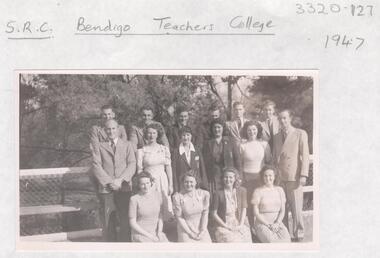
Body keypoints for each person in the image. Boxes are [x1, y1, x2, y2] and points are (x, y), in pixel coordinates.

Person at [91, 119, 136, 241]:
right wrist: (110, 182)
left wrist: (120, 180)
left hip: (124, 188)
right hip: (107, 189)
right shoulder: (100, 147)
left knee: (125, 220)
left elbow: (132, 164)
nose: (111, 131)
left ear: (118, 129)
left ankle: (125, 248)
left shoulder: (127, 145)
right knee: (108, 221)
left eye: (113, 128)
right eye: (108, 129)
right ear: (105, 131)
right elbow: (96, 165)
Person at [272, 109, 310, 242]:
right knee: (281, 208)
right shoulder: (276, 136)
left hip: (294, 177)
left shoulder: (300, 133)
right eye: (280, 119)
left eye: (285, 118)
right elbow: (275, 156)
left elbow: (305, 155)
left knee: (296, 209)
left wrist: (304, 174)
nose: (282, 121)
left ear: (290, 118)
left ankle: (298, 234)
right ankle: (285, 235)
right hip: (280, 178)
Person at [136, 123, 173, 219]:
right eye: (149, 133)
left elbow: (168, 167)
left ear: (158, 134)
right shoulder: (141, 151)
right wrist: (142, 184)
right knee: (150, 207)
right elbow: (139, 170)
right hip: (148, 182)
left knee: (163, 206)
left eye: (154, 133)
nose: (151, 135)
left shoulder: (164, 149)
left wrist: (170, 184)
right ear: (146, 135)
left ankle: (161, 230)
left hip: (162, 180)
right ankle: (152, 229)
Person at [240, 120, 272, 227]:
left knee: (261, 204)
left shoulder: (264, 144)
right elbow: (240, 164)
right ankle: (252, 230)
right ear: (246, 131)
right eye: (249, 130)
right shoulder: (242, 145)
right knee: (250, 205)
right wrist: (242, 178)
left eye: (254, 129)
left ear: (257, 130)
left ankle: (262, 227)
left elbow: (268, 162)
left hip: (261, 179)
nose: (252, 132)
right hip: (247, 179)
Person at [211, 167, 252, 242]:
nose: (228, 179)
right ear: (222, 178)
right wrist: (226, 226)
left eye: (231, 177)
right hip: (223, 223)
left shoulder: (242, 191)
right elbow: (214, 214)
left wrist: (241, 225)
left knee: (246, 241)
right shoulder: (217, 193)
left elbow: (244, 209)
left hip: (239, 220)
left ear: (235, 178)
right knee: (234, 242)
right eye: (226, 177)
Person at [251, 166, 291, 243]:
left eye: (270, 176)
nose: (268, 178)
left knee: (287, 241)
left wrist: (277, 223)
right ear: (262, 177)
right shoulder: (258, 191)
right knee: (272, 242)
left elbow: (282, 211)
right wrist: (268, 224)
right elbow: (255, 213)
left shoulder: (280, 190)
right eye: (265, 176)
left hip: (277, 223)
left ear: (275, 177)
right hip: (262, 223)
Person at [202, 118, 241, 194]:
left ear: (223, 128)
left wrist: (239, 176)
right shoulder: (207, 143)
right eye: (215, 127)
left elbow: (237, 159)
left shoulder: (231, 141)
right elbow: (204, 163)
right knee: (215, 196)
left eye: (219, 127)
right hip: (213, 176)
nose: (217, 129)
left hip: (228, 175)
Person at [172, 171, 212, 242]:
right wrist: (190, 233)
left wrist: (203, 230)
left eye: (191, 182)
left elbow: (205, 214)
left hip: (200, 226)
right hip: (185, 228)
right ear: (183, 183)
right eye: (186, 182)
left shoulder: (203, 194)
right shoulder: (178, 197)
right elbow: (179, 217)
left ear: (196, 182)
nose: (189, 184)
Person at [129, 172, 169, 242]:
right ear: (138, 185)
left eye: (147, 183)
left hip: (156, 232)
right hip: (141, 234)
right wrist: (150, 236)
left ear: (151, 183)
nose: (146, 186)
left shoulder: (158, 195)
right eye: (142, 184)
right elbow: (132, 223)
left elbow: (160, 216)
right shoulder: (134, 199)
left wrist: (159, 232)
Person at [171, 126, 208, 193]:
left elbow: (202, 169)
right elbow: (174, 172)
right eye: (183, 135)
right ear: (180, 137)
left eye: (188, 135)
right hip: (182, 186)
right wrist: (176, 190)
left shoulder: (197, 150)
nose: (185, 137)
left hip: (196, 185)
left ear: (191, 136)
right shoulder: (176, 152)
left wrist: (204, 186)